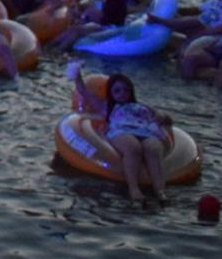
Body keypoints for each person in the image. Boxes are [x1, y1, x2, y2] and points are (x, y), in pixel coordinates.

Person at [70, 66, 172, 203]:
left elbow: (167, 120)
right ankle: (134, 189)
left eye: (125, 90)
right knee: (133, 148)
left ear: (131, 91)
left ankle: (160, 191)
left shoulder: (141, 106)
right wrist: (76, 73)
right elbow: (83, 91)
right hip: (122, 130)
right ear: (111, 93)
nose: (122, 93)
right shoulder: (106, 106)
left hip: (146, 130)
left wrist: (162, 116)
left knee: (153, 149)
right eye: (117, 90)